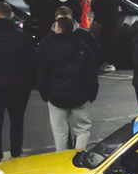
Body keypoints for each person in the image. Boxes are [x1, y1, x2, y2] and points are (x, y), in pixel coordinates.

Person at [38, 16, 99, 152]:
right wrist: (91, 94)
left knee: (60, 132)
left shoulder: (49, 49)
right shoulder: (83, 47)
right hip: (80, 96)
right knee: (83, 129)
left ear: (58, 29)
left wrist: (45, 95)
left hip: (56, 97)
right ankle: (78, 157)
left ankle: (63, 162)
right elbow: (91, 73)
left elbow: (43, 76)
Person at [0, 3, 36, 166]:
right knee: (17, 121)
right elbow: (31, 62)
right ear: (9, 15)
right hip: (18, 87)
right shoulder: (20, 35)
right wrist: (29, 84)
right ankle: (16, 153)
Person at [91, 0, 121, 72]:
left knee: (105, 43)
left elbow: (95, 8)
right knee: (110, 42)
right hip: (113, 21)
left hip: (105, 22)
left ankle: (109, 63)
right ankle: (110, 62)